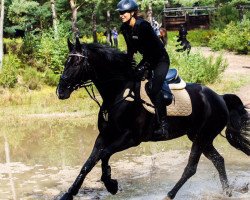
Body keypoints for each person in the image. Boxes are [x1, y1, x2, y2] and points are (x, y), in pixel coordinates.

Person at [116, 0, 173, 139]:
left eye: (123, 12)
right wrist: (126, 66)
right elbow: (131, 51)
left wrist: (142, 67)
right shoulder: (125, 28)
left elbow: (153, 52)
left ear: (132, 13)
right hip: (147, 59)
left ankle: (164, 126)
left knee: (154, 89)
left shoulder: (143, 26)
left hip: (160, 60)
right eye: (120, 13)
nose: (121, 15)